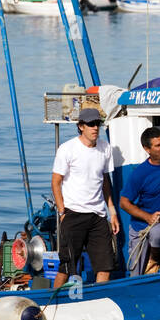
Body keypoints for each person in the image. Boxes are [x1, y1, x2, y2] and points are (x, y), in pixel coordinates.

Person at [52, 107, 120, 287]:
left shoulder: (105, 148)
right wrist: (62, 212)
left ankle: (98, 302)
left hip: (98, 216)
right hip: (73, 214)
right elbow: (56, 182)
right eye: (90, 124)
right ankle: (52, 302)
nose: (95, 128)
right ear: (81, 126)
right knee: (66, 267)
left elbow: (105, 182)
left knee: (105, 266)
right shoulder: (67, 149)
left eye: (97, 124)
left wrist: (112, 212)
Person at [119, 126, 160, 275]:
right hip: (139, 227)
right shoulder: (140, 173)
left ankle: (156, 261)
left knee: (158, 233)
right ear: (147, 149)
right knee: (135, 275)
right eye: (158, 145)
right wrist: (148, 217)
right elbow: (123, 202)